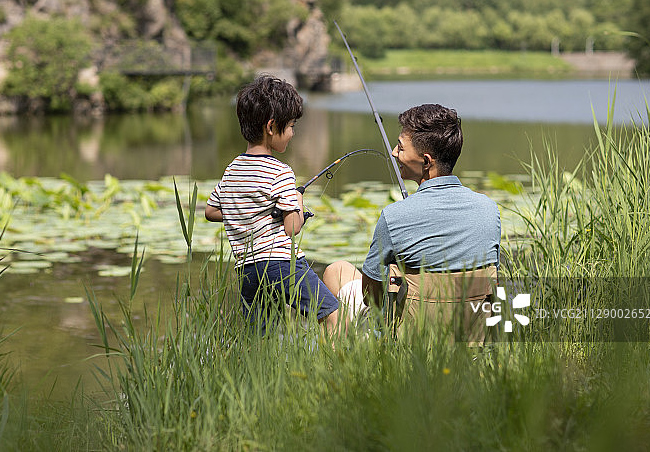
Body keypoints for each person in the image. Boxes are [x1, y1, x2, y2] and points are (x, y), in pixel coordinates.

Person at [323, 104, 501, 338]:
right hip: (470, 338)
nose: (394, 153)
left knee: (337, 271)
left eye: (400, 147)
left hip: (410, 340)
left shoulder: (394, 216)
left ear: (426, 161)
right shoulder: (490, 210)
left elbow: (371, 298)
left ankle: (337, 364)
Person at [205, 74, 339, 333]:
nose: (292, 133)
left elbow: (211, 211)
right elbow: (292, 227)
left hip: (247, 271)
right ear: (271, 127)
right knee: (332, 316)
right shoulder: (280, 171)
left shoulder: (232, 169)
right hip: (281, 264)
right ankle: (333, 367)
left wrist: (247, 212)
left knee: (261, 339)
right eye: (289, 126)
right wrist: (297, 202)